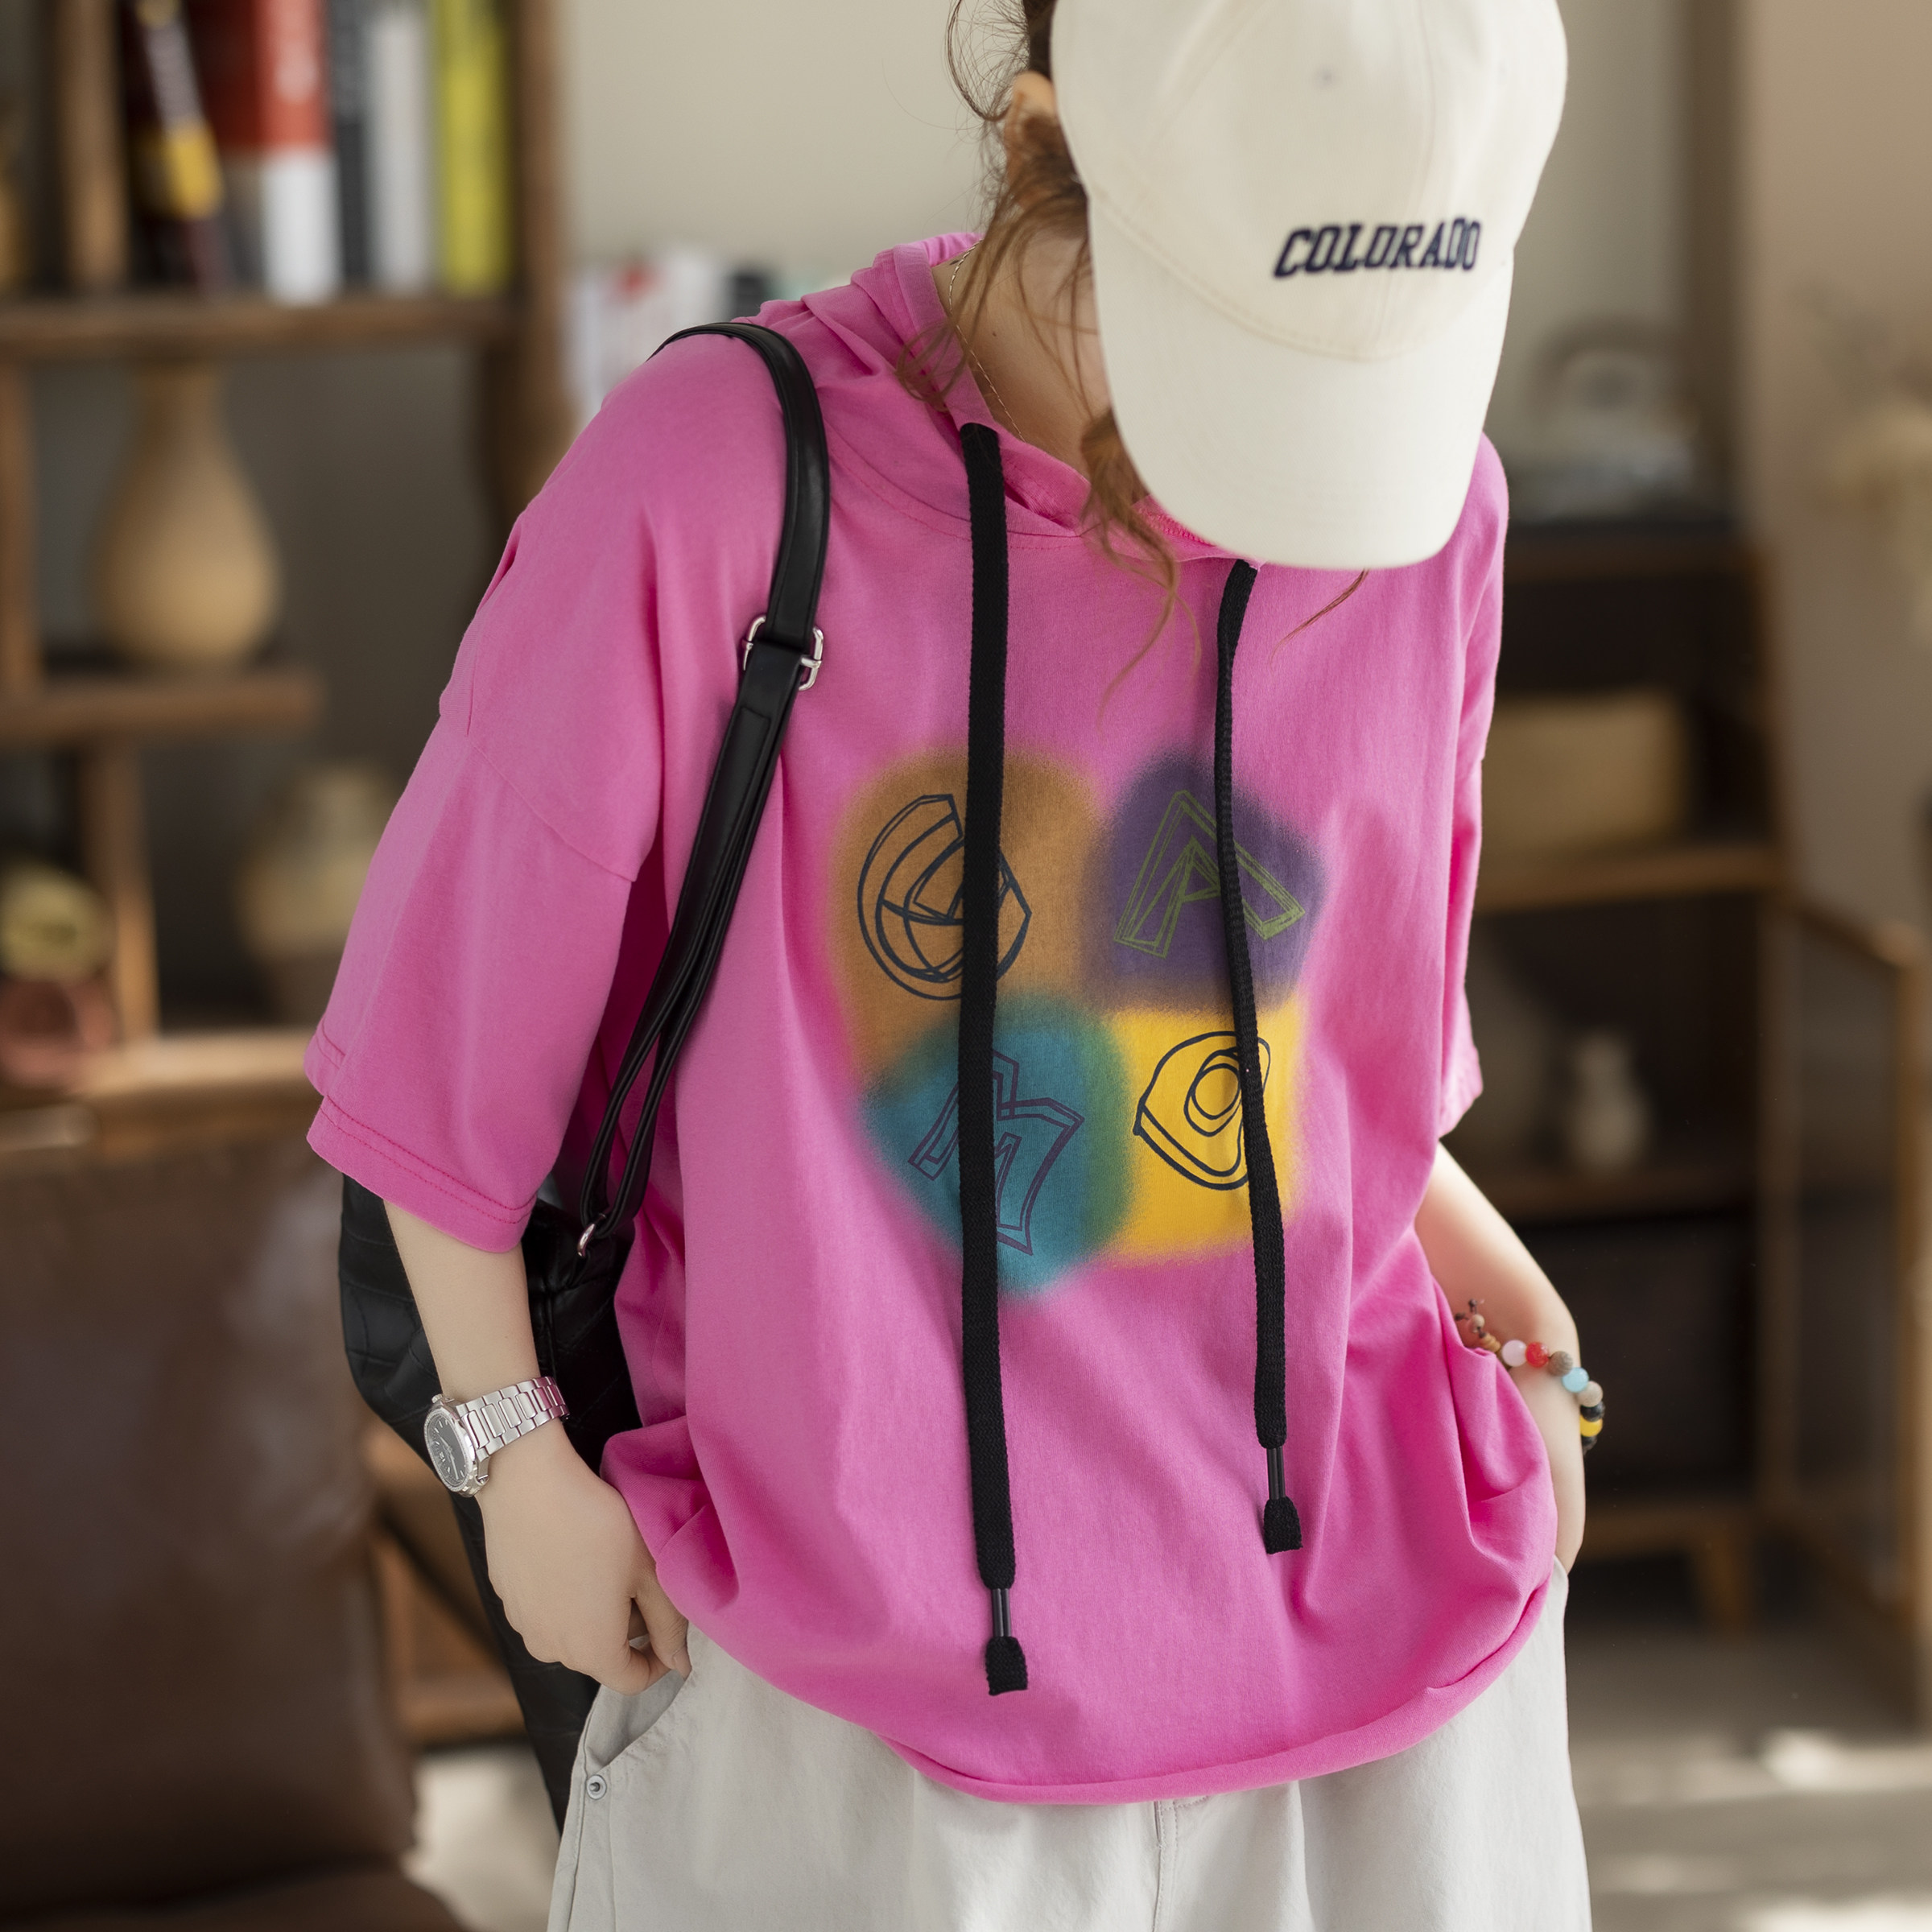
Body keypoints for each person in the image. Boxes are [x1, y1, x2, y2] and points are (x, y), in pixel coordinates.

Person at [308, 0, 1592, 1923]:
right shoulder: (721, 480)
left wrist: (1518, 1329)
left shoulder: (1432, 508)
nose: (1293, 446)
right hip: (861, 1693)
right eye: (1246, 336)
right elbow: (437, 1057)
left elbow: (1328, 1052)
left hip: (1384, 1653)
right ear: (1053, 137)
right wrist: (509, 1461)